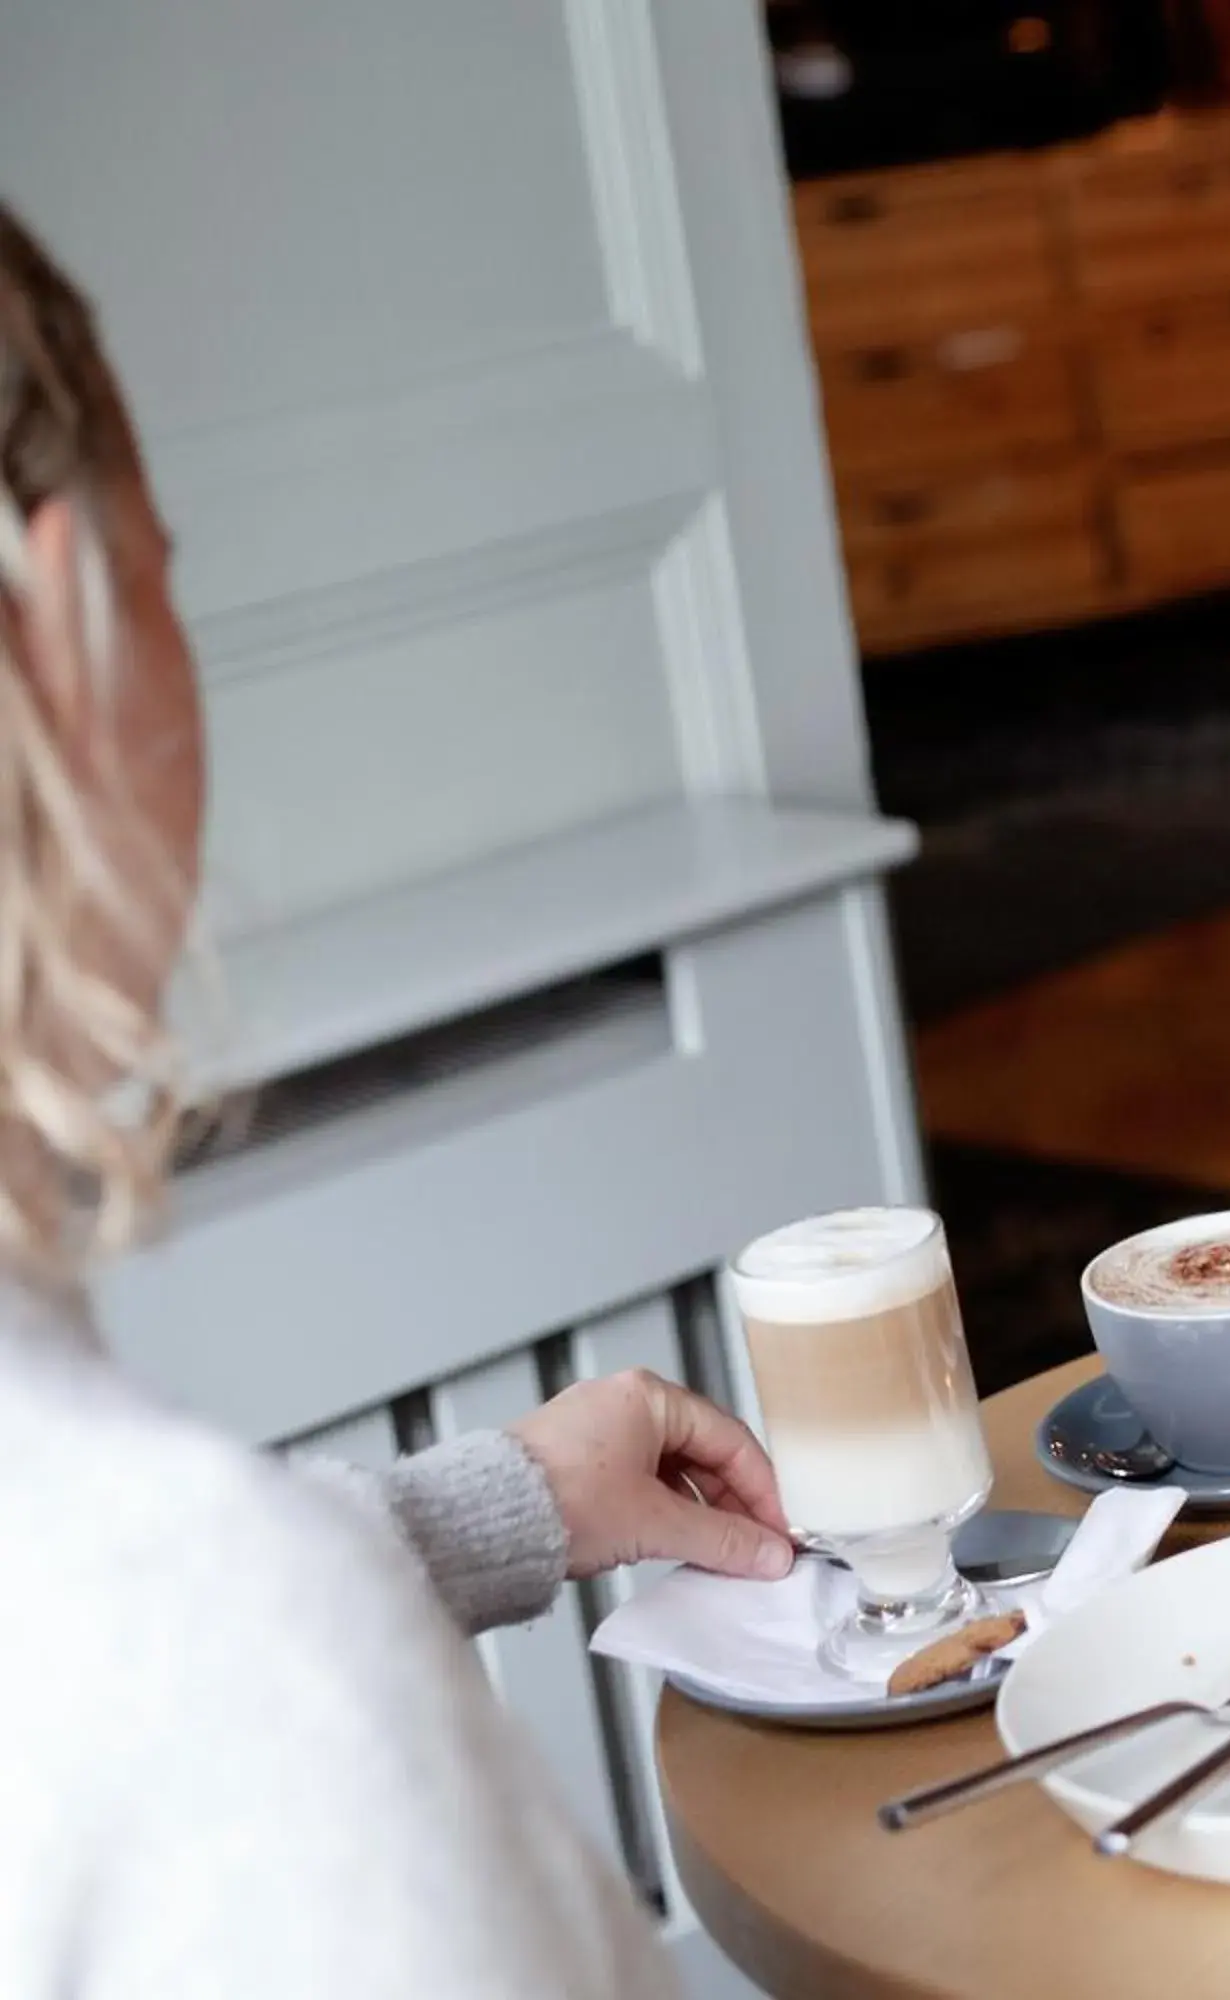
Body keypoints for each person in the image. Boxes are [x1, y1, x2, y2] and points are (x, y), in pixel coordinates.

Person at [0, 207, 794, 1994]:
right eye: (168, 571)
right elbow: (167, 1665)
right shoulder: (228, 1673)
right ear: (66, 631)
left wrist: (497, 1504)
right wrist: (293, 1606)